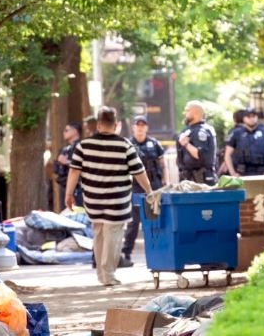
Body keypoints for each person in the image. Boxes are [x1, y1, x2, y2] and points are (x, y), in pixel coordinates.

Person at [65, 106, 152, 287]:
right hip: (117, 200)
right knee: (113, 236)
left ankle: (101, 274)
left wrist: (69, 194)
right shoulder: (124, 145)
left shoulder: (84, 146)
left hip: (93, 199)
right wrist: (149, 191)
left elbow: (74, 171)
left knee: (98, 234)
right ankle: (108, 275)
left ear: (98, 125)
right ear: (116, 125)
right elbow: (139, 172)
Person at [122, 115, 167, 264]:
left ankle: (159, 251)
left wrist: (165, 180)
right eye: (137, 125)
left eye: (143, 125)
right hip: (135, 187)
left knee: (155, 219)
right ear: (133, 127)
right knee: (134, 222)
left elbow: (162, 163)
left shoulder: (154, 144)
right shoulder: (128, 144)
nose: (140, 127)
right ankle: (126, 252)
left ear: (146, 127)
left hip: (154, 185)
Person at [223, 107, 264, 176]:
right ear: (244, 118)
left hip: (262, 173)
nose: (252, 119)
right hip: (242, 173)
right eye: (248, 117)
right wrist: (233, 173)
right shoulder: (236, 133)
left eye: (254, 116)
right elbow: (227, 154)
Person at [176, 100, 217, 185]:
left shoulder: (202, 131)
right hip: (187, 178)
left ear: (196, 112)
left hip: (201, 178)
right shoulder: (187, 130)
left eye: (187, 110)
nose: (184, 113)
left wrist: (186, 144)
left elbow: (200, 155)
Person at [53, 121, 81, 211]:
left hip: (77, 188)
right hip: (64, 186)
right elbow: (55, 168)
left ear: (75, 131)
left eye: (66, 130)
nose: (64, 133)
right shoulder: (65, 149)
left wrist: (67, 162)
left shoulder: (81, 147)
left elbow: (82, 166)